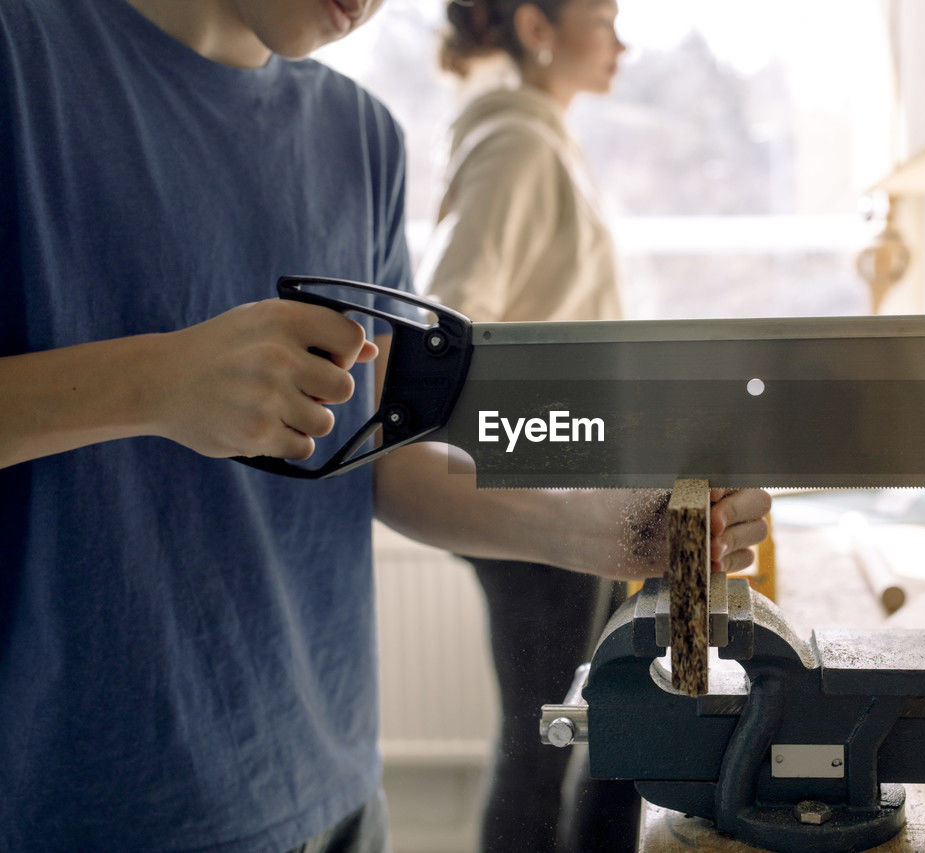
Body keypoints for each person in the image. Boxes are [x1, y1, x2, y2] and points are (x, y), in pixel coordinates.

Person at [0, 1, 772, 851]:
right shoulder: (22, 56)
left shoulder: (360, 135)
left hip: (333, 794)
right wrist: (155, 381)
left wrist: (620, 529)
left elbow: (389, 463)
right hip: (79, 811)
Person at [418, 2, 641, 850]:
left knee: (575, 735)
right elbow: (448, 325)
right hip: (539, 497)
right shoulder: (515, 145)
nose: (621, 40)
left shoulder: (544, 138)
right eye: (602, 17)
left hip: (569, 489)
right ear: (536, 28)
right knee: (545, 741)